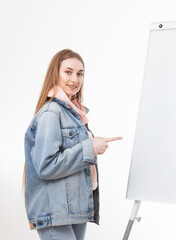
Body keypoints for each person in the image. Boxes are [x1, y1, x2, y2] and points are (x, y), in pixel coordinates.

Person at [23, 49, 122, 240]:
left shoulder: (76, 113)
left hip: (73, 209)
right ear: (56, 73)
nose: (75, 79)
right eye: (68, 72)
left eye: (80, 73)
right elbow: (46, 165)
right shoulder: (52, 112)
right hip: (55, 211)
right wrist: (90, 148)